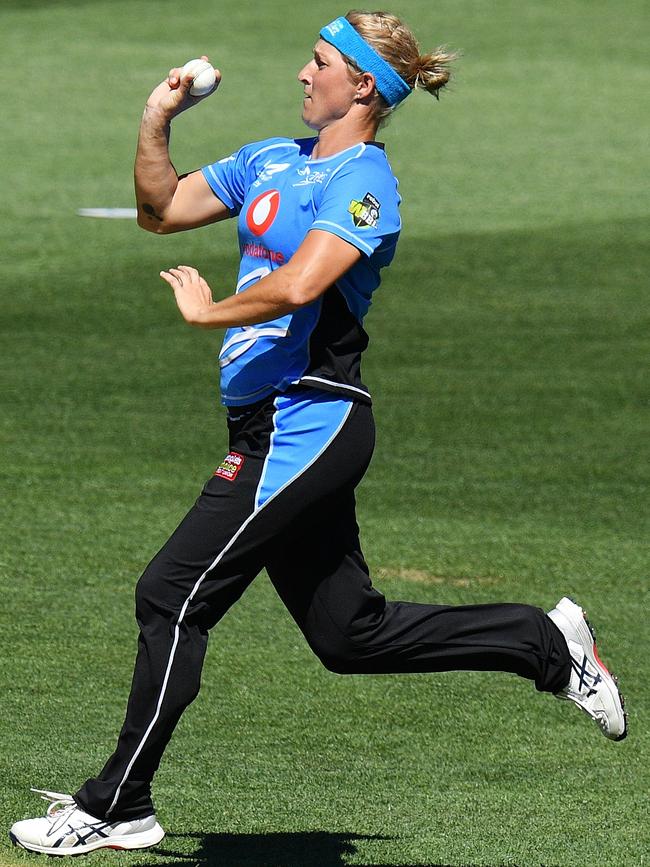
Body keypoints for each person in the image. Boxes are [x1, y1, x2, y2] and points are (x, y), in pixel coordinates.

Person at [9, 10, 626, 857]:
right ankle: (545, 643)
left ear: (362, 86)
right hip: (267, 420)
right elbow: (161, 208)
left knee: (170, 593)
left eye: (321, 62)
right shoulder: (272, 158)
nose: (303, 74)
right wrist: (159, 117)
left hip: (309, 419)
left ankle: (119, 802)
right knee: (350, 634)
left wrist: (209, 313)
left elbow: (303, 284)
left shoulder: (366, 187)